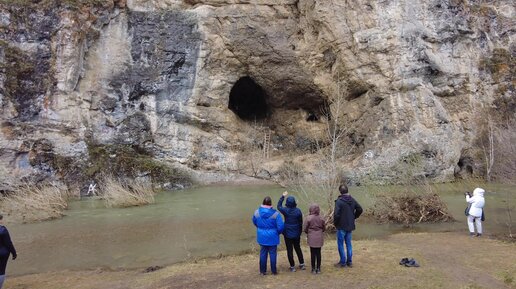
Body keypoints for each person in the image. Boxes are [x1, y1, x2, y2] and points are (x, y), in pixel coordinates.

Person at [253, 196, 284, 275]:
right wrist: (277, 232)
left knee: (263, 253)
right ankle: (274, 271)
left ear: (263, 202)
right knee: (273, 254)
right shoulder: (276, 214)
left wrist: (260, 228)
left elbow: (254, 221)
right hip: (273, 237)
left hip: (262, 236)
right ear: (271, 203)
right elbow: (280, 227)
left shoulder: (257, 212)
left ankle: (262, 271)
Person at [334, 184, 362, 268]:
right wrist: (354, 216)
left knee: (340, 244)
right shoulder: (352, 200)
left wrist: (335, 223)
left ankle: (343, 262)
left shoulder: (339, 201)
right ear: (347, 190)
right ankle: (349, 262)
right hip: (349, 226)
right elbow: (360, 209)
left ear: (340, 191)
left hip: (341, 226)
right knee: (349, 244)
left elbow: (336, 215)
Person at [277, 191, 305, 272]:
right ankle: (302, 264)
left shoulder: (285, 211)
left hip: (288, 234)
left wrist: (282, 196)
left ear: (287, 203)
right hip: (296, 233)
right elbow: (300, 223)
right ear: (294, 203)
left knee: (289, 250)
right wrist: (299, 232)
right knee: (298, 248)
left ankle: (292, 266)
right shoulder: (298, 211)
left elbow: (278, 206)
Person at [303, 203, 325, 274]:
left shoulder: (308, 218)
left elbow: (305, 228)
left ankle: (313, 269)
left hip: (311, 236)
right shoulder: (321, 218)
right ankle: (318, 268)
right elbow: (324, 228)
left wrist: (308, 233)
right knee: (318, 253)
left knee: (312, 253)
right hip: (319, 236)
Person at [0, 214, 17, 289]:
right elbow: (8, 243)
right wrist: (14, 253)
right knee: (1, 271)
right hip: (3, 253)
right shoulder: (3, 230)